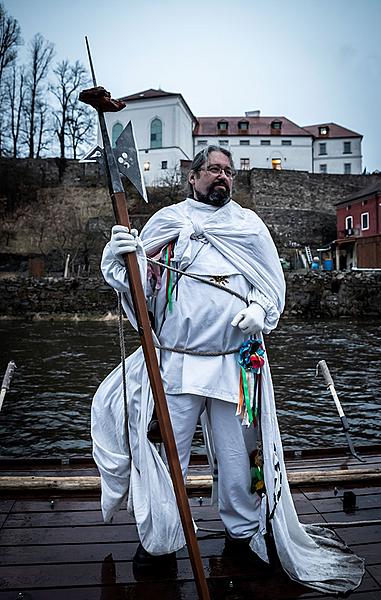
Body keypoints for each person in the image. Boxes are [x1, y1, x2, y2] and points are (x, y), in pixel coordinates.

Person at [92, 145, 364, 594]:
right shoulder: (167, 222)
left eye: (229, 171)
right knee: (166, 457)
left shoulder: (248, 226)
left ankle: (241, 536)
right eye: (214, 169)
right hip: (175, 364)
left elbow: (271, 287)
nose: (223, 177)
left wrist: (260, 310)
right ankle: (159, 540)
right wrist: (120, 258)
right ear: (193, 176)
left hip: (235, 367)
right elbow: (140, 289)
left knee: (240, 460)